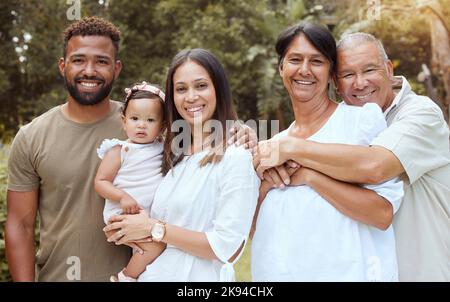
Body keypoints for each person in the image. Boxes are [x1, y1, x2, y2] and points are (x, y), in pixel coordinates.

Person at [254, 32, 450, 282]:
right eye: (348, 75)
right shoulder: (352, 124)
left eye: (369, 70)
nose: (360, 84)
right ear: (336, 81)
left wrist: (293, 151)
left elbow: (375, 166)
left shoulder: (421, 114)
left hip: (425, 272)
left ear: (388, 69)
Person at [103, 48, 259, 282]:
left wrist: (155, 228)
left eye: (201, 86)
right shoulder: (171, 153)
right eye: (181, 89)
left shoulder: (236, 156)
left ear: (219, 89)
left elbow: (228, 247)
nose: (191, 97)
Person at [5, 17, 131, 281]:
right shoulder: (31, 137)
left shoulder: (145, 127)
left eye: (101, 61)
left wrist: (240, 136)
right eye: (78, 60)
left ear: (116, 68)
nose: (89, 70)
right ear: (63, 66)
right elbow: (20, 226)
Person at [94, 82, 167, 282]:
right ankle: (126, 277)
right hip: (122, 213)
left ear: (162, 126)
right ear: (124, 121)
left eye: (150, 120)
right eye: (134, 119)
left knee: (157, 246)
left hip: (147, 216)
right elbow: (100, 182)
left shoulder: (162, 148)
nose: (141, 125)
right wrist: (122, 197)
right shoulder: (119, 150)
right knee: (157, 245)